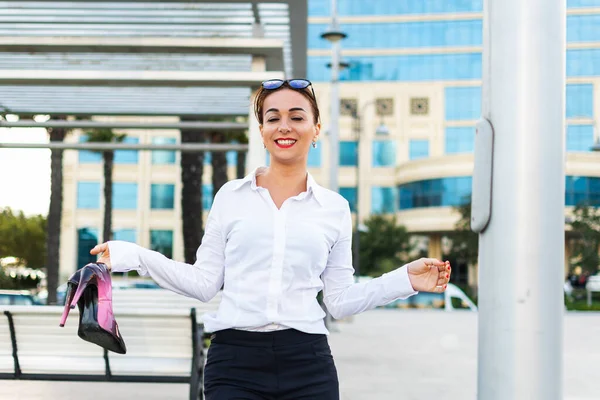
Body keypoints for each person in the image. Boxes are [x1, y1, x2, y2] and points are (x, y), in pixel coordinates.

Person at [89, 78, 452, 400]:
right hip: (234, 362)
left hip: (307, 362)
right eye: (273, 117)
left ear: (316, 128)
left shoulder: (335, 208)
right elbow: (204, 283)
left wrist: (404, 279)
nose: (285, 126)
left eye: (297, 116)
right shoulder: (230, 196)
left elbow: (339, 301)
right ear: (262, 130)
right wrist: (132, 255)